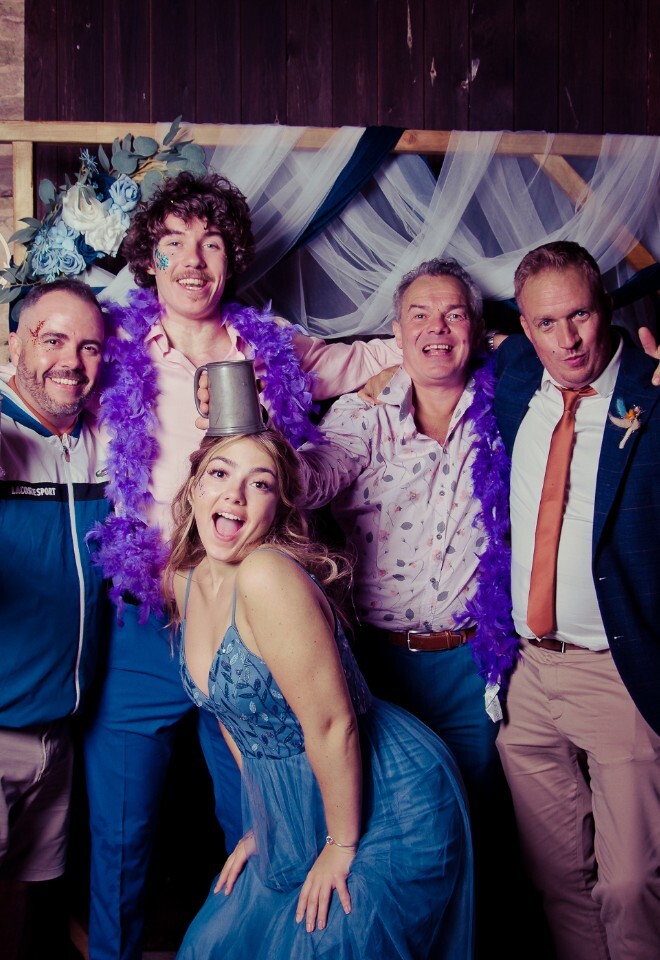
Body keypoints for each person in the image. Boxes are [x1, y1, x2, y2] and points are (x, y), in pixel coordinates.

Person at [83, 170, 402, 960]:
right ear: (147, 259)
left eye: (212, 243)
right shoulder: (112, 351)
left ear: (233, 259)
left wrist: (483, 346)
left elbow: (366, 361)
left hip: (249, 624)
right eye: (174, 244)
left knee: (262, 821)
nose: (194, 261)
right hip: (143, 619)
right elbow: (39, 384)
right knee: (121, 835)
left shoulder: (271, 350)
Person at [164, 429, 474, 960]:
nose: (234, 495)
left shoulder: (266, 575)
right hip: (294, 809)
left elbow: (333, 726)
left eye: (258, 484)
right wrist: (266, 823)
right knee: (212, 946)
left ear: (278, 509)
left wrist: (341, 845)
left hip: (383, 799)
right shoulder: (184, 579)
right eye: (219, 473)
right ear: (193, 487)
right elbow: (230, 715)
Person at [293, 259, 520, 955]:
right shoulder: (363, 413)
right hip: (378, 668)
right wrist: (261, 440)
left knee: (475, 834)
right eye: (419, 314)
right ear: (396, 330)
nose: (436, 329)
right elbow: (311, 480)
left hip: (472, 667)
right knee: (387, 841)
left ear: (477, 331)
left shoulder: (510, 404)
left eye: (453, 314)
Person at [494, 241, 660, 960]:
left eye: (581, 316)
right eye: (547, 323)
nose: (567, 340)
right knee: (557, 876)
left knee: (629, 885)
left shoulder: (653, 391)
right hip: (528, 675)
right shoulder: (513, 372)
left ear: (607, 310)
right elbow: (422, 345)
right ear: (524, 330)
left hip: (618, 672)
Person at [0, 280, 109, 959]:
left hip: (62, 734)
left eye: (89, 345)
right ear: (14, 343)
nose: (72, 360)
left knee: (18, 910)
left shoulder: (104, 439)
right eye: (53, 339)